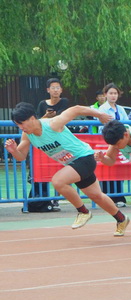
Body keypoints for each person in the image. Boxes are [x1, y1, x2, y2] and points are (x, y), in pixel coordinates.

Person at [4, 102, 130, 235]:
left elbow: (76, 109)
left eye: (22, 123)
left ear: (32, 118)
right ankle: (121, 219)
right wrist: (13, 151)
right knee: (97, 196)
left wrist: (99, 114)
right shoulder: (27, 135)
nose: (21, 127)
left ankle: (83, 212)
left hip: (85, 157)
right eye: (17, 124)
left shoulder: (53, 124)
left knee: (58, 181)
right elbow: (21, 156)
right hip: (73, 163)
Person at [32, 78, 70, 211]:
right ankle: (43, 199)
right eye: (53, 88)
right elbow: (38, 121)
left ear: (61, 90)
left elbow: (63, 118)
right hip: (45, 141)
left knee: (61, 168)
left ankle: (56, 199)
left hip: (60, 139)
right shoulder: (42, 104)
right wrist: (46, 116)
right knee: (43, 170)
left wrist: (53, 117)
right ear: (48, 90)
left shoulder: (64, 102)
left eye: (57, 87)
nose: (55, 90)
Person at [97, 82, 128, 206]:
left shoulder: (121, 109)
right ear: (105, 94)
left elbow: (127, 123)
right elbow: (102, 126)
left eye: (115, 93)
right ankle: (108, 198)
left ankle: (119, 197)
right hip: (107, 140)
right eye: (111, 93)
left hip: (120, 141)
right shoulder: (102, 109)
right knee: (107, 169)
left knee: (118, 168)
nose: (113, 96)